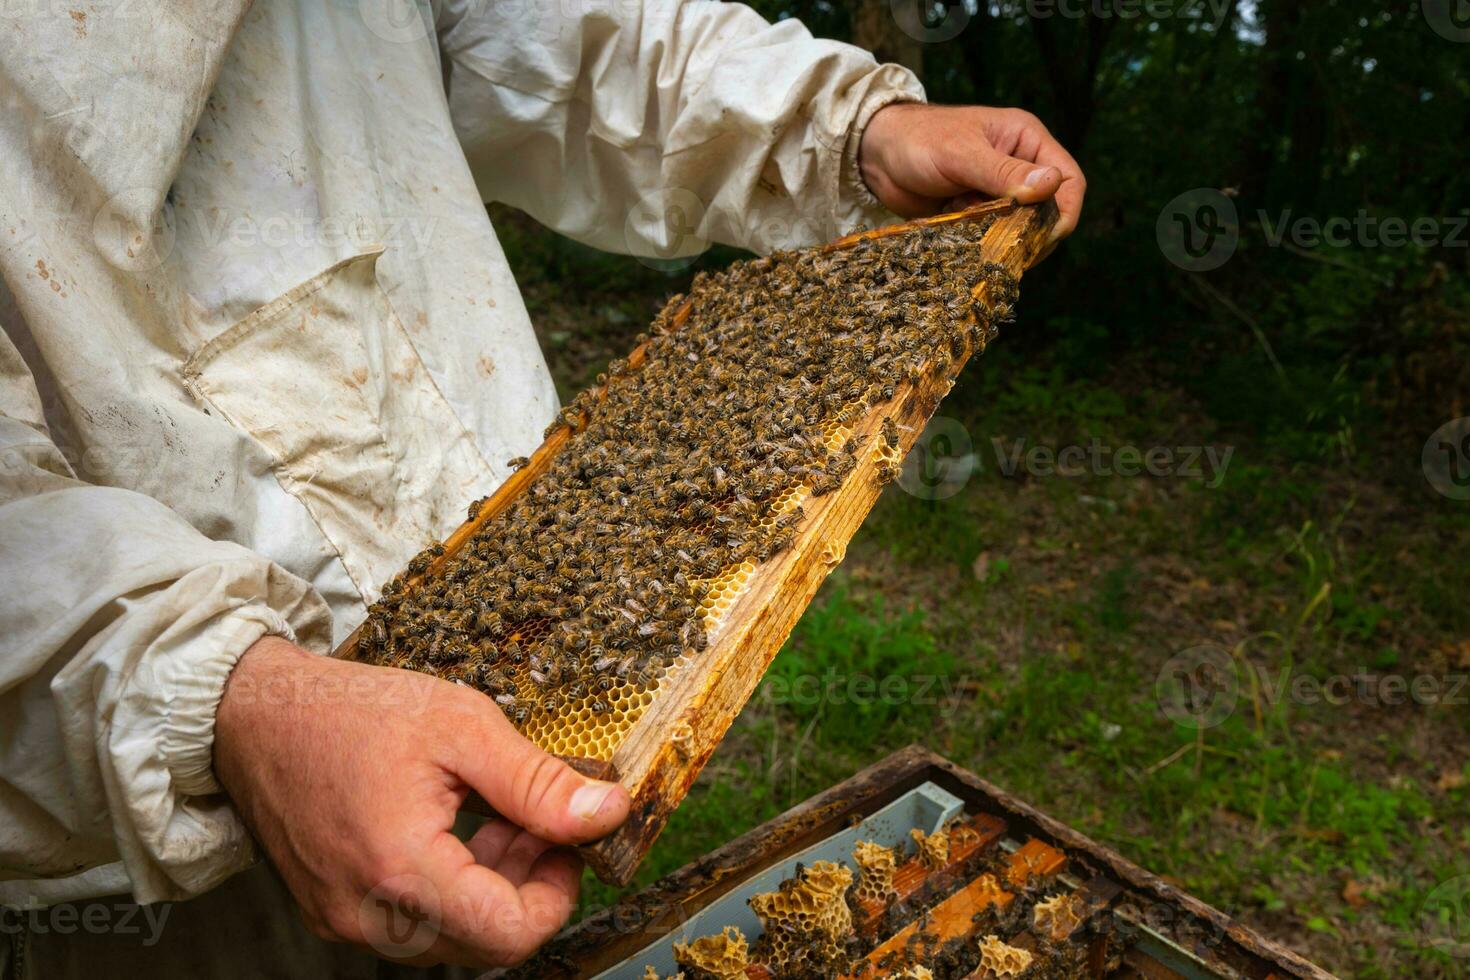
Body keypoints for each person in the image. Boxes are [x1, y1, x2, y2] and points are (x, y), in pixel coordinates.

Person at [0, 0, 1083, 974]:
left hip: (537, 632)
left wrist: (841, 130)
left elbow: (532, 32)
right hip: (151, 807)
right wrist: (223, 701)